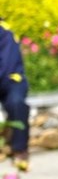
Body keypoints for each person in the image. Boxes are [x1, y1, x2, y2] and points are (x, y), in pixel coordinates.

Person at [0, 18, 30, 170]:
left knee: (16, 103)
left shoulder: (5, 32)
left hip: (12, 80)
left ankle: (20, 150)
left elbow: (6, 66)